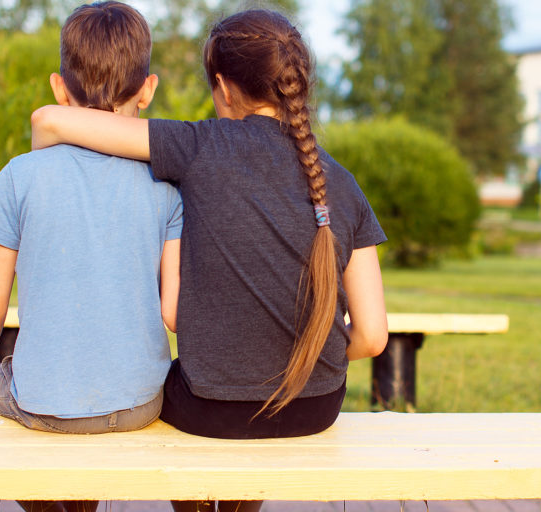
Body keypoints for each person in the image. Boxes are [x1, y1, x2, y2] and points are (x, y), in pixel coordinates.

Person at [32, 8, 389, 512]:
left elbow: (52, 120)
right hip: (317, 407)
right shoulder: (342, 183)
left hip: (212, 411)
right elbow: (373, 337)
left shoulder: (199, 145)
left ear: (222, 87)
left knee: (151, 391)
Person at [0, 0, 181, 442]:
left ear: (59, 89)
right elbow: (172, 310)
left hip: (45, 403)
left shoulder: (20, 174)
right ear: (148, 89)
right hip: (142, 401)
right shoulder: (167, 185)